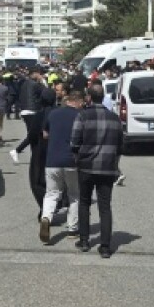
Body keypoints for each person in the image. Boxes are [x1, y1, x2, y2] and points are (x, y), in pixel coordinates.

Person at [71, 84, 123, 258]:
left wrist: (78, 155)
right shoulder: (115, 118)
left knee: (84, 202)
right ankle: (106, 246)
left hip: (86, 166)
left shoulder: (83, 116)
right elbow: (120, 145)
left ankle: (84, 240)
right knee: (105, 206)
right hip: (107, 167)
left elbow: (74, 142)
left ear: (88, 98)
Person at [39, 90, 84, 243]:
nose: (82, 106)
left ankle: (46, 218)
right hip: (72, 161)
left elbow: (45, 134)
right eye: (82, 103)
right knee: (74, 195)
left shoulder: (53, 114)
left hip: (52, 160)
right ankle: (73, 229)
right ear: (77, 101)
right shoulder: (80, 116)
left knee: (51, 193)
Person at [11, 68, 47, 164]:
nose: (40, 75)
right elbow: (47, 92)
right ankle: (17, 150)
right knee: (34, 134)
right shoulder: (35, 84)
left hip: (25, 110)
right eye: (39, 73)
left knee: (32, 134)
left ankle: (34, 156)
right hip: (32, 110)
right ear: (34, 74)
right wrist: (42, 81)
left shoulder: (24, 83)